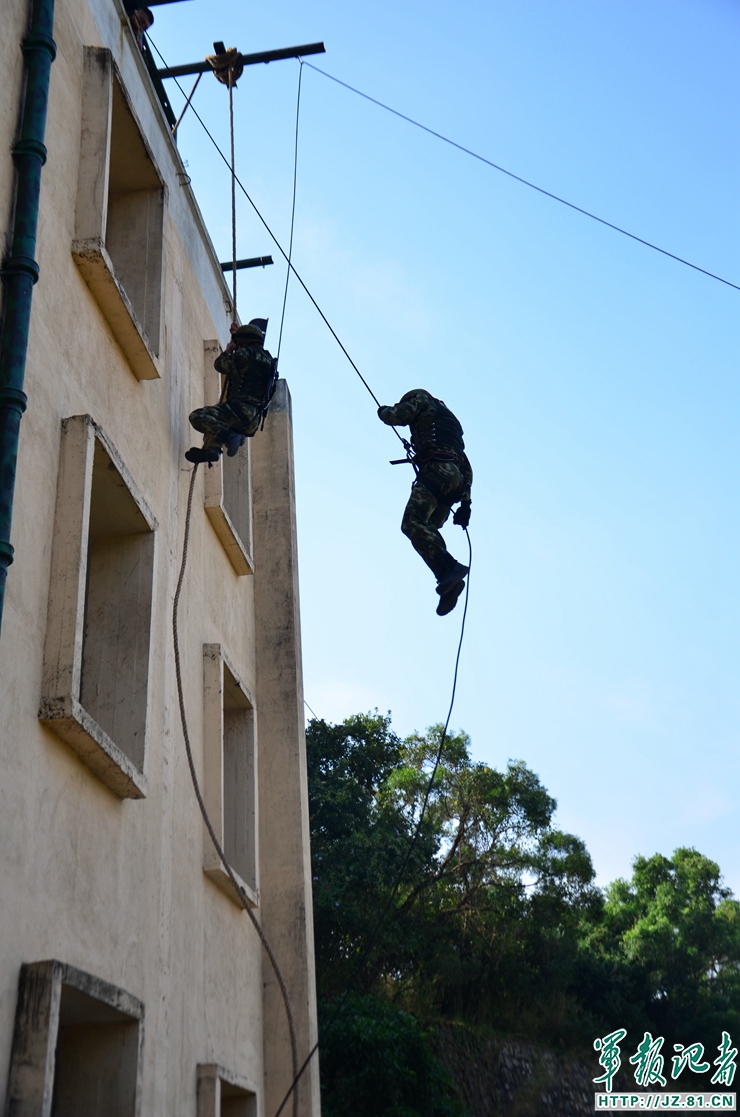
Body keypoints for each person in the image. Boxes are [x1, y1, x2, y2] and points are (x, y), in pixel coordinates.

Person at [378, 389, 472, 616]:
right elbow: (467, 467)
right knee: (428, 528)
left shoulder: (421, 400)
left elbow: (395, 416)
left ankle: (449, 569)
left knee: (412, 523)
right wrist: (465, 504)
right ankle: (447, 580)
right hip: (454, 482)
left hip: (436, 471)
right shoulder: (449, 424)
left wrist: (383, 412)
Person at [185, 319, 276, 465]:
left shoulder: (245, 353)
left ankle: (229, 438)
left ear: (244, 341)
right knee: (219, 421)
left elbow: (221, 365)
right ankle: (212, 449)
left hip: (239, 410)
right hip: (253, 419)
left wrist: (228, 351)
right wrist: (238, 335)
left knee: (198, 416)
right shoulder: (270, 362)